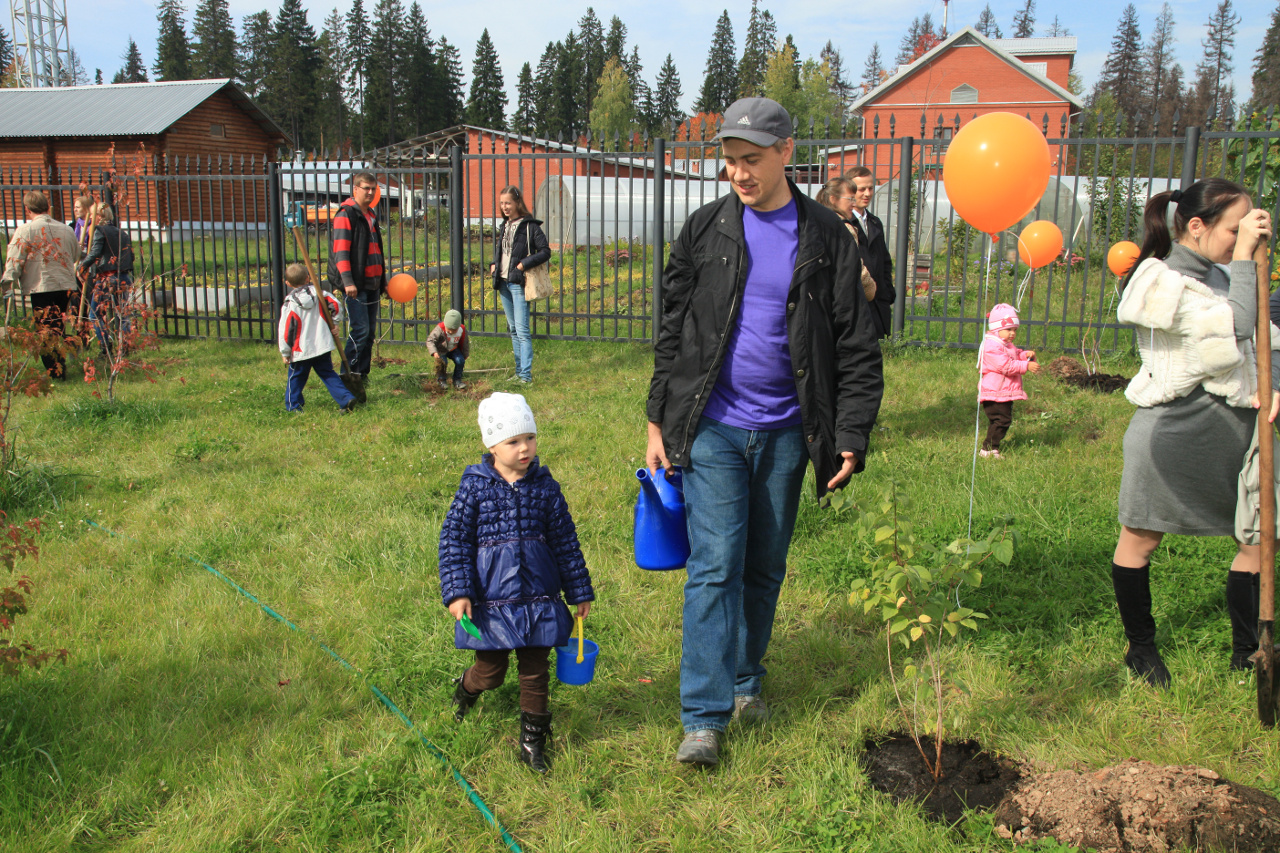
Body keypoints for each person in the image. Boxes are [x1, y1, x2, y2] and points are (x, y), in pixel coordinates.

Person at [645, 97, 884, 766]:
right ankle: (703, 716)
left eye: (751, 160)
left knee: (763, 566)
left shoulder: (827, 237)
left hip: (787, 431)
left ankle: (747, 681)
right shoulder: (704, 230)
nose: (739, 174)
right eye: (730, 162)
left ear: (786, 152)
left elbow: (856, 343)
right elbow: (673, 331)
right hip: (714, 424)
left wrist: (852, 432)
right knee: (715, 565)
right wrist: (657, 418)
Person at [1112, 178, 1275, 689]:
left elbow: (1269, 336)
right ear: (1197, 226)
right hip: (1174, 435)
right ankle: (1140, 650)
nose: (1239, 238)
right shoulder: (1156, 281)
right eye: (1234, 229)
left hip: (1240, 437)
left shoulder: (1230, 274)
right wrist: (1247, 258)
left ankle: (1248, 653)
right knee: (1140, 539)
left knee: (1259, 537)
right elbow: (1236, 329)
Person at [438, 392, 595, 773]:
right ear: (491, 445)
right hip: (491, 601)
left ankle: (532, 743)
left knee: (535, 671)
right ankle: (467, 687)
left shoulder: (545, 487)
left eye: (530, 438)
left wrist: (578, 590)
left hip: (540, 598)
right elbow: (454, 540)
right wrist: (458, 592)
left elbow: (565, 542)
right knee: (491, 673)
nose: (525, 448)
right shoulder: (475, 488)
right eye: (513, 441)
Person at [1, 190, 81, 379]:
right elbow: (76, 254)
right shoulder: (66, 229)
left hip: (42, 285)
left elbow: (15, 259)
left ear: (27, 209)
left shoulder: (25, 230)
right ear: (47, 207)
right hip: (66, 284)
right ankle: (64, 357)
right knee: (57, 326)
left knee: (45, 331)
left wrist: (7, 282)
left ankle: (56, 372)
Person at [326, 171, 387, 403]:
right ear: (355, 190)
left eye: (373, 188)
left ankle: (362, 374)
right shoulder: (346, 214)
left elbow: (377, 251)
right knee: (359, 332)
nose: (370, 192)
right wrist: (348, 282)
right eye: (365, 188)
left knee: (369, 333)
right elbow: (341, 251)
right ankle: (348, 374)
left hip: (372, 282)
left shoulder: (370, 214)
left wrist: (384, 280)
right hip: (356, 285)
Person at [488, 186, 550, 385]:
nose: (505, 207)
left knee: (522, 331)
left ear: (517, 203)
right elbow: (504, 253)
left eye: (508, 203)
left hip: (518, 283)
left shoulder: (529, 225)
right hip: (503, 282)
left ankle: (525, 376)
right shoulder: (504, 225)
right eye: (502, 203)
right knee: (513, 329)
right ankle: (518, 372)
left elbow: (545, 251)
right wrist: (494, 265)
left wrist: (524, 264)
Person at [277, 262, 355, 414]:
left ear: (287, 283)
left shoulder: (289, 304)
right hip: (322, 344)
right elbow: (336, 305)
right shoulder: (320, 294)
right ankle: (345, 398)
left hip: (301, 350)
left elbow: (286, 331)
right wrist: (335, 322)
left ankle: (294, 406)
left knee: (296, 377)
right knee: (327, 373)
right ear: (308, 278)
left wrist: (285, 352)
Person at [977, 303, 1039, 459]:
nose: (1012, 333)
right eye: (1009, 329)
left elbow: (1015, 354)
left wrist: (1025, 355)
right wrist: (1026, 366)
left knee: (1002, 420)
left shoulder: (1005, 344)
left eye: (1015, 330)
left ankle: (992, 447)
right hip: (995, 391)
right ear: (997, 329)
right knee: (1000, 420)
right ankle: (988, 449)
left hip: (1002, 391)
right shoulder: (991, 346)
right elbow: (1006, 365)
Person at [843, 166, 895, 338]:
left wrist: (887, 292)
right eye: (861, 189)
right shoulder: (843, 224)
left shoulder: (875, 223)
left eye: (870, 188)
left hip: (878, 303)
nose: (867, 193)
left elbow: (884, 261)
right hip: (857, 303)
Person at [78, 202, 134, 360]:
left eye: (92, 215)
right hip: (123, 277)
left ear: (99, 216)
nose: (91, 219)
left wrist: (82, 266)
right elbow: (131, 255)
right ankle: (125, 346)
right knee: (122, 313)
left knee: (94, 314)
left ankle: (106, 346)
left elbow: (95, 252)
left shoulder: (98, 230)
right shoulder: (121, 232)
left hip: (106, 278)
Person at [817, 176, 878, 309]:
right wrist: (871, 288)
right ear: (833, 199)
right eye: (850, 199)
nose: (853, 203)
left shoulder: (815, 222)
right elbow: (856, 267)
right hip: (841, 301)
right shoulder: (844, 229)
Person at [426, 308, 469, 390]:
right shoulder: (440, 329)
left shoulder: (462, 329)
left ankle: (457, 380)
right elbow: (430, 340)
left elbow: (465, 342)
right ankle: (441, 380)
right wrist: (434, 352)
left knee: (460, 361)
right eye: (449, 330)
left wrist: (465, 354)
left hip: (453, 349)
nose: (451, 332)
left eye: (454, 330)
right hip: (441, 350)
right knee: (443, 362)